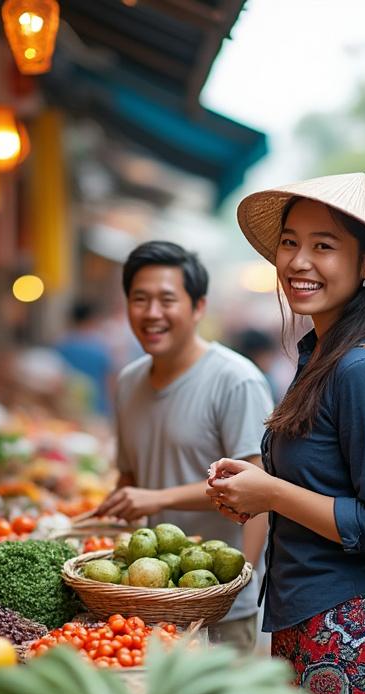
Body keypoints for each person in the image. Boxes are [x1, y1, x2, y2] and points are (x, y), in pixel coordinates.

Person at [205, 173, 365, 694]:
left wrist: (272, 493)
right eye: (290, 243)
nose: (298, 261)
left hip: (345, 629)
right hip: (305, 617)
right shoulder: (321, 355)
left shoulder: (360, 369)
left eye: (323, 246)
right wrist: (253, 491)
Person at [100, 241, 274, 653]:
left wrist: (238, 588)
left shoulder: (236, 380)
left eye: (166, 300)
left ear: (198, 307)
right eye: (140, 299)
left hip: (217, 607)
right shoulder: (128, 382)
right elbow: (130, 477)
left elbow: (258, 492)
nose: (152, 313)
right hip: (147, 598)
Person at [55, 301, 114, 417]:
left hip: (67, 405)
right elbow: (109, 379)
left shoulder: (62, 344)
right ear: (91, 319)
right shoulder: (100, 345)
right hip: (96, 405)